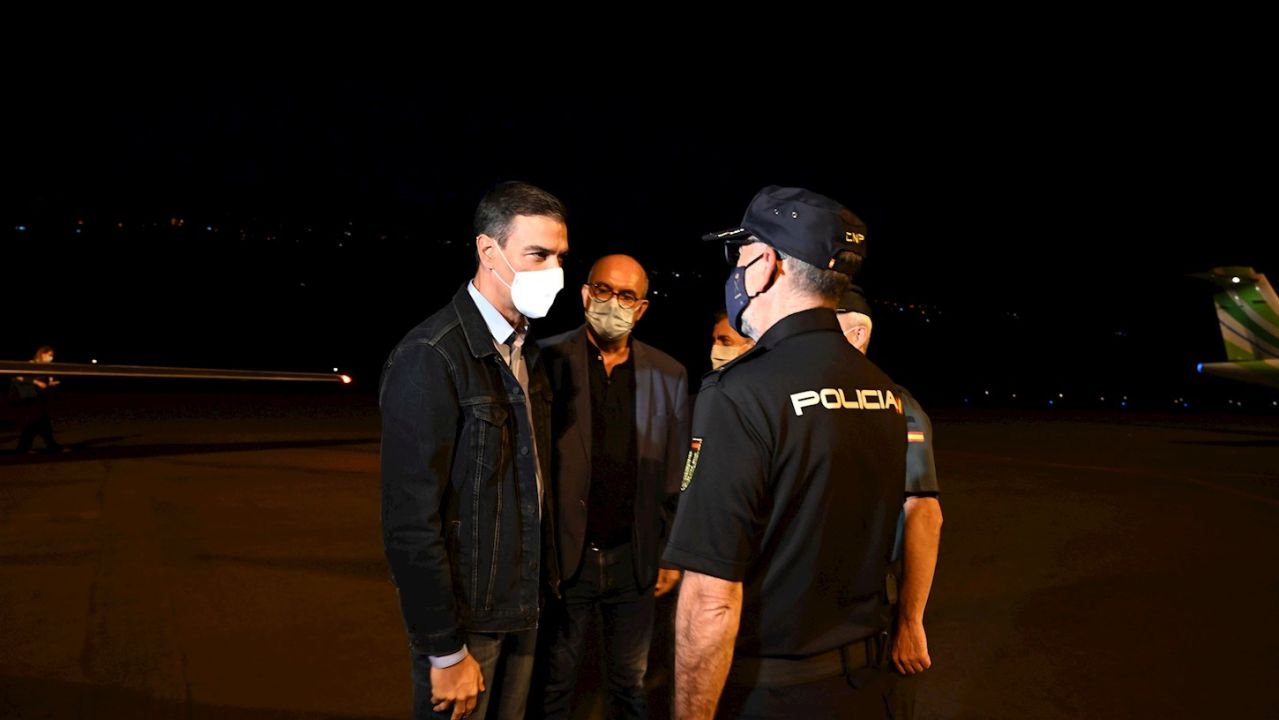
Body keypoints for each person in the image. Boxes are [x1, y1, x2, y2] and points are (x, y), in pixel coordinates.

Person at [663, 186, 906, 718]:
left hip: (773, 693)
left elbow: (711, 598)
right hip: (864, 688)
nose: (735, 271)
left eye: (740, 255)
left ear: (767, 264)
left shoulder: (740, 392)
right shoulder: (883, 391)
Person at [380, 181, 569, 720]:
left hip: (522, 605)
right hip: (469, 622)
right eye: (538, 254)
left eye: (560, 257)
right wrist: (444, 648)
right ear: (489, 250)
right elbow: (409, 521)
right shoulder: (432, 355)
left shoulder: (528, 353)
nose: (554, 271)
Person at [538, 254, 691, 719]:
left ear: (641, 309)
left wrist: (670, 553)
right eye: (604, 290)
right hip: (565, 558)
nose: (613, 302)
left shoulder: (668, 374)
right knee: (555, 682)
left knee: (630, 683)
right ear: (586, 295)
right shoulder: (545, 360)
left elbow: (676, 472)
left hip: (633, 558)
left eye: (626, 295)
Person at [836, 286, 944, 719]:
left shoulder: (897, 406)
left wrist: (910, 621)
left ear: (859, 334)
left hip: (873, 605)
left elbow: (923, 511)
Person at [10, 345, 65, 453]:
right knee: (38, 421)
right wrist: (36, 382)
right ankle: (51, 447)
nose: (51, 358)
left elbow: (43, 383)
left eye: (52, 356)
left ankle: (24, 448)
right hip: (29, 397)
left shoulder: (45, 367)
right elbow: (17, 377)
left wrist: (49, 384)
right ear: (42, 354)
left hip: (38, 397)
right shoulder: (31, 364)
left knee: (39, 421)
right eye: (49, 355)